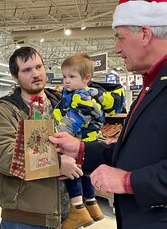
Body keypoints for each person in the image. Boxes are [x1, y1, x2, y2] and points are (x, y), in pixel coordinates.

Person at [49, 0, 167, 229]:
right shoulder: (157, 80)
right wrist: (80, 149)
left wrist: (128, 182)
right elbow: (141, 152)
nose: (116, 48)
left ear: (145, 34)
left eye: (120, 37)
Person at [0, 46, 83, 229]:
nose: (36, 73)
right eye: (27, 70)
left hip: (69, 215)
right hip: (26, 218)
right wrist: (56, 164)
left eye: (39, 67)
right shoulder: (5, 112)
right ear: (15, 77)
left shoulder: (63, 105)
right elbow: (4, 158)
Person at [54, 53, 125, 229]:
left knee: (72, 173)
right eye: (64, 77)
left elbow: (75, 119)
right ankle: (92, 205)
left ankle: (78, 208)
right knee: (84, 173)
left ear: (86, 78)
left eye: (71, 77)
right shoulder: (84, 93)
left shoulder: (82, 96)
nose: (66, 81)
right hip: (88, 140)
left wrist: (57, 132)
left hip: (77, 139)